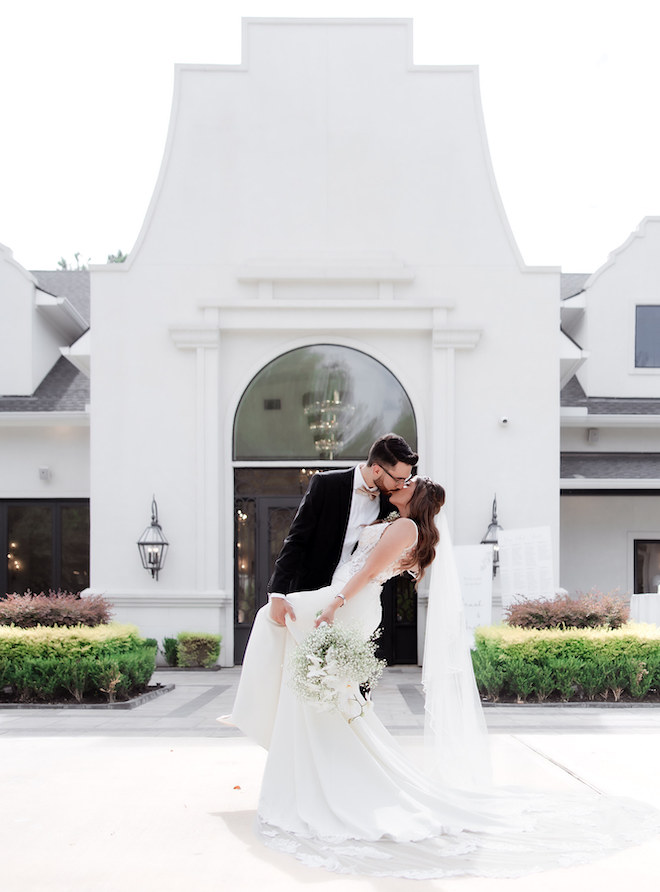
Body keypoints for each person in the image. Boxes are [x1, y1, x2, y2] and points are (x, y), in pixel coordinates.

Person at [222, 478, 660, 879]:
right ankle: (309, 764)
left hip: (346, 602)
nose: (399, 484)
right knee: (321, 683)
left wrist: (334, 603)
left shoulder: (406, 529)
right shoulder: (402, 525)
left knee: (284, 634)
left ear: (416, 497)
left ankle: (310, 763)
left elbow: (368, 571)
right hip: (349, 601)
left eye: (407, 482)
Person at [268, 432, 418, 628]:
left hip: (353, 600)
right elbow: (296, 541)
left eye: (406, 480)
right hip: (312, 590)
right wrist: (278, 592)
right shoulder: (326, 485)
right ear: (376, 470)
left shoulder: (390, 502)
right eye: (398, 479)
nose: (401, 486)